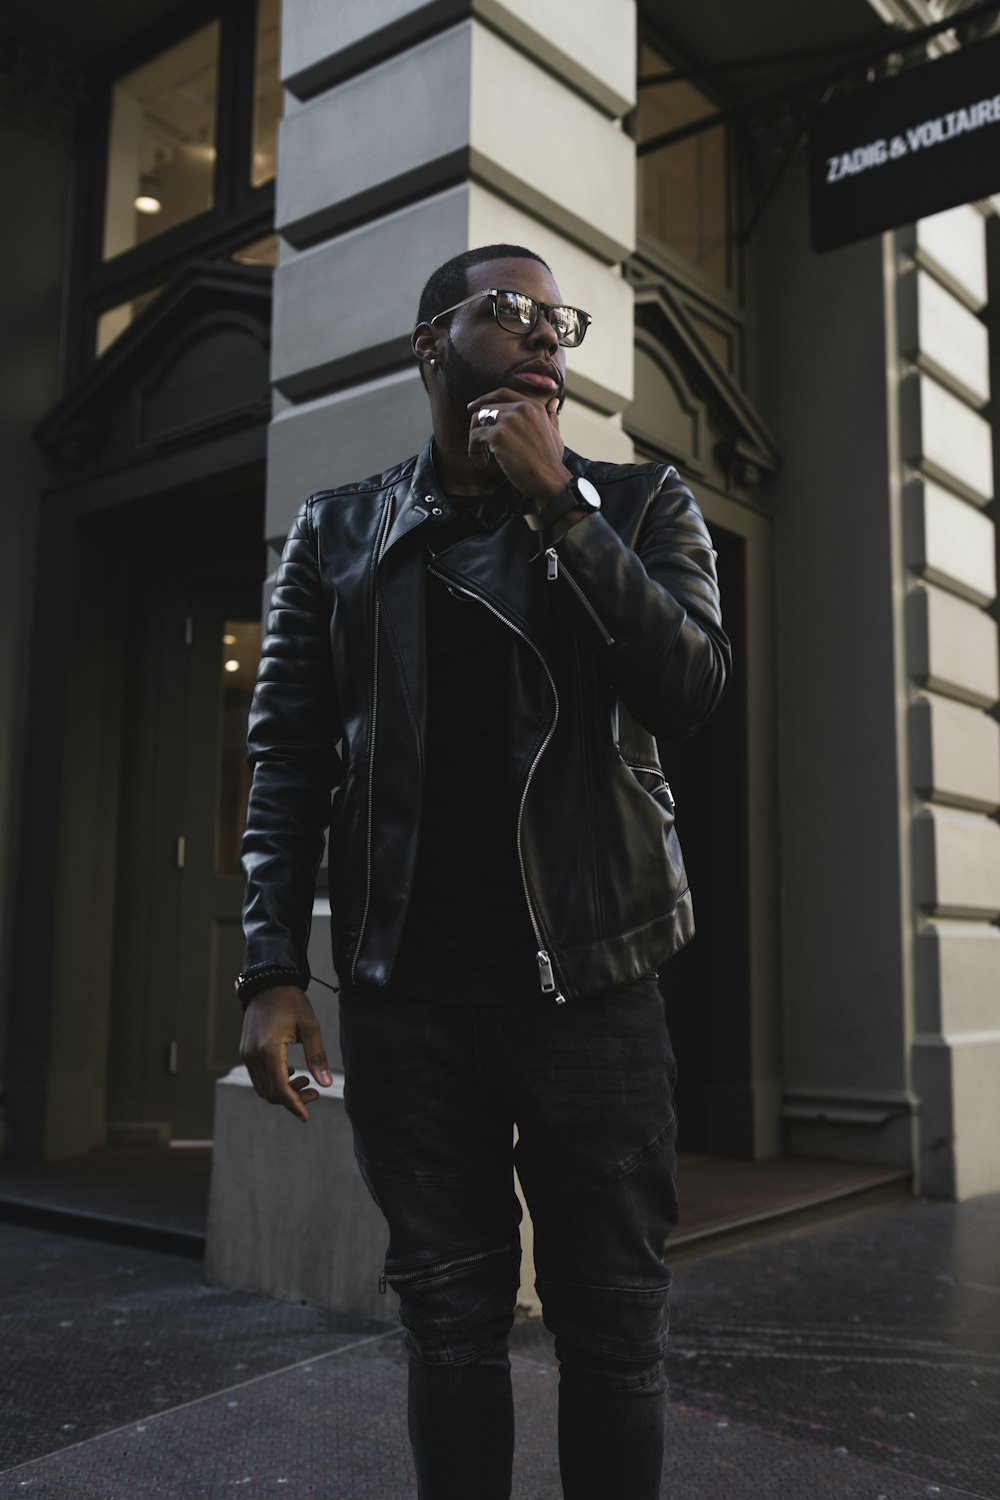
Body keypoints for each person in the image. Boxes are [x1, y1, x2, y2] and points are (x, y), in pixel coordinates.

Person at [236, 243, 730, 1500]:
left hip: (596, 984)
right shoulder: (339, 535)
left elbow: (689, 686)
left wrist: (561, 504)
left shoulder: (640, 503)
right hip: (410, 997)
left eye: (556, 319)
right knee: (449, 1322)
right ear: (428, 344)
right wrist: (272, 967)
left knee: (613, 1333)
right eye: (507, 311)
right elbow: (287, 759)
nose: (542, 336)